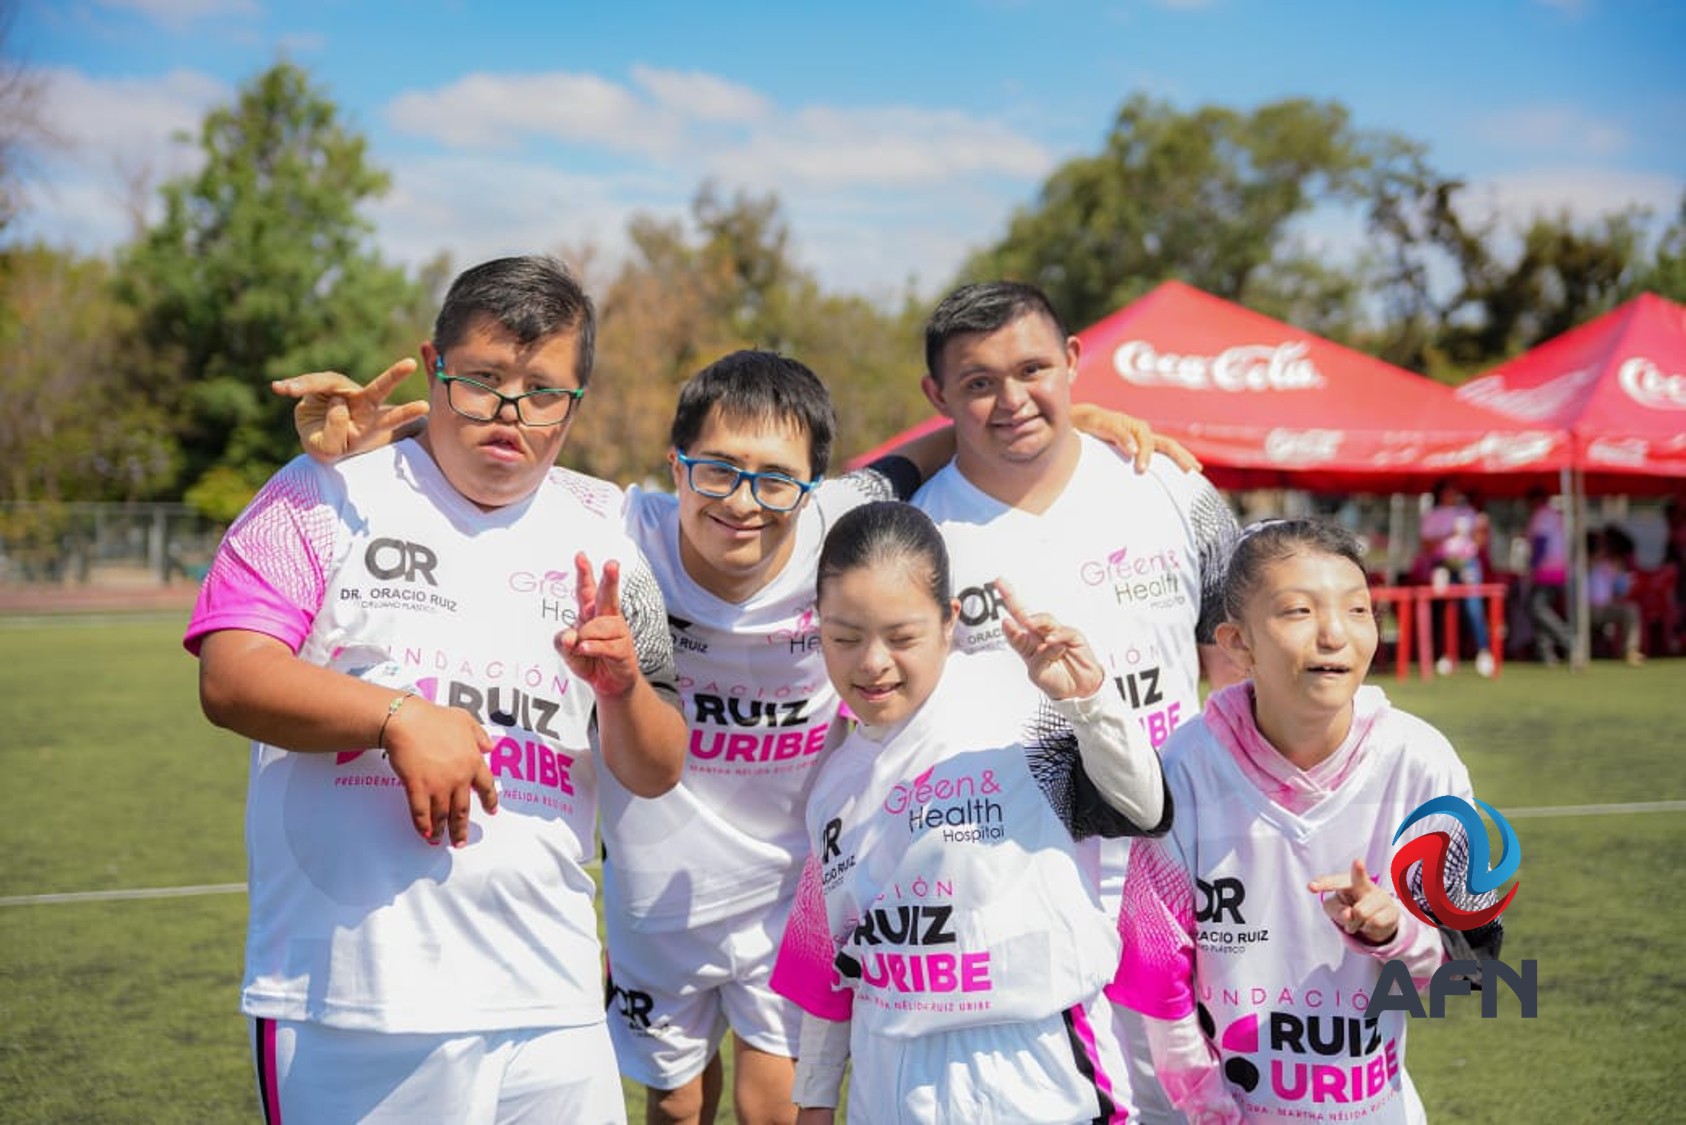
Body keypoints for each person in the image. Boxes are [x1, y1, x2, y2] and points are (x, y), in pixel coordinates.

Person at [277, 347, 1190, 1125]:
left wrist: (1066, 427)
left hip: (795, 877)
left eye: (775, 480)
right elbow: (503, 453)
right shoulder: (620, 523)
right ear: (675, 467)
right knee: (674, 1106)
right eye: (715, 470)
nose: (743, 500)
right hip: (655, 880)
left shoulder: (840, 519)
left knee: (774, 1103)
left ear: (815, 483)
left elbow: (930, 452)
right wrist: (377, 446)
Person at [184, 255, 689, 1123]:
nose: (508, 412)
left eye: (542, 391)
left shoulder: (608, 529)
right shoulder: (320, 488)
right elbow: (230, 675)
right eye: (482, 380)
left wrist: (622, 689)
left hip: (553, 1003)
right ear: (431, 364)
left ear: (578, 397)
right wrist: (397, 717)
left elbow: (657, 763)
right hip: (352, 1001)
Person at [908, 279, 1243, 1123]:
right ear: (937, 396)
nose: (1012, 399)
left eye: (1031, 369)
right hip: (1020, 904)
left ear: (1072, 362)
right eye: (979, 381)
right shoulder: (914, 536)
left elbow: (1242, 669)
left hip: (1192, 882)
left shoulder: (1172, 488)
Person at [769, 500, 1170, 1122]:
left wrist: (1088, 703)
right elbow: (833, 960)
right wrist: (816, 1098)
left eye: (902, 638)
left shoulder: (1015, 703)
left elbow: (1143, 806)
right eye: (844, 638)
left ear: (950, 621)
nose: (872, 663)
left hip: (1038, 1072)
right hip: (894, 1084)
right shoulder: (833, 789)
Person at [1111, 519, 1505, 1123]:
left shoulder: (1422, 766)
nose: (1333, 635)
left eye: (1357, 610)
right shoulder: (1182, 772)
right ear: (1237, 643)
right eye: (1298, 611)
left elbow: (1466, 971)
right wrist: (1207, 1105)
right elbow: (1156, 973)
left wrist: (1393, 930)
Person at [1417, 479, 1494, 677]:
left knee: (1472, 606)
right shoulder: (1433, 516)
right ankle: (1445, 654)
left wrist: (1480, 530)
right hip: (1443, 565)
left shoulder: (1468, 513)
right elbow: (1426, 546)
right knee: (1445, 609)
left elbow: (1480, 540)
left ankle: (1484, 651)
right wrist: (1447, 534)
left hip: (1468, 563)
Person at [1524, 486, 1573, 666]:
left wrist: (1533, 568)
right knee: (1541, 609)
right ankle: (1546, 654)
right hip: (1560, 568)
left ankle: (1568, 640)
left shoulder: (1542, 516)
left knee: (1538, 608)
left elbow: (1540, 544)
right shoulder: (1556, 515)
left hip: (1547, 570)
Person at [1587, 525, 1644, 666]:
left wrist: (1620, 573)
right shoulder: (1581, 565)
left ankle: (1630, 651)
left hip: (1605, 609)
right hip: (1585, 610)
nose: (1604, 550)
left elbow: (1621, 589)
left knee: (1630, 610)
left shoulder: (1607, 565)